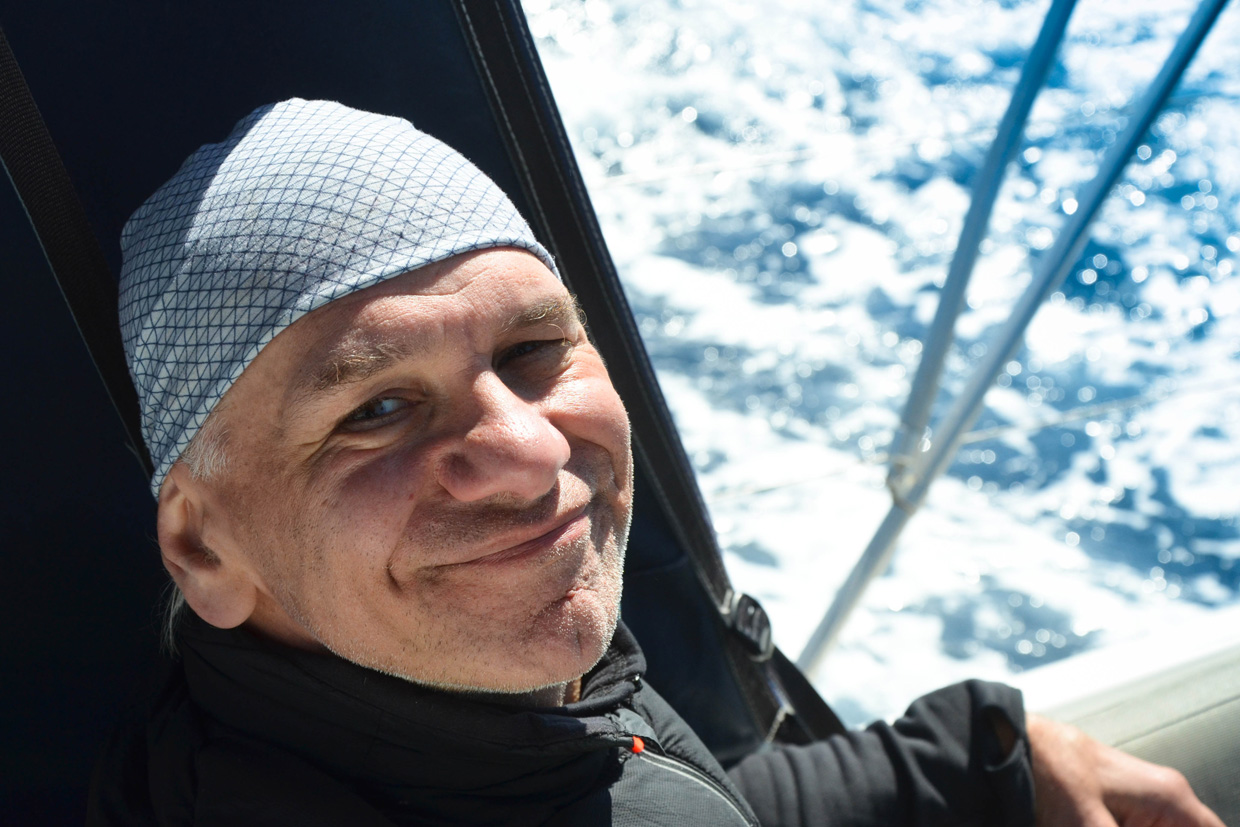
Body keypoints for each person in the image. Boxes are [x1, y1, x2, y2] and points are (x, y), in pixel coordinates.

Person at [88, 98, 1223, 826]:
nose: (529, 451)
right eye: (377, 408)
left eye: (532, 350)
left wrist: (973, 762)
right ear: (202, 545)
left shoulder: (444, 713)